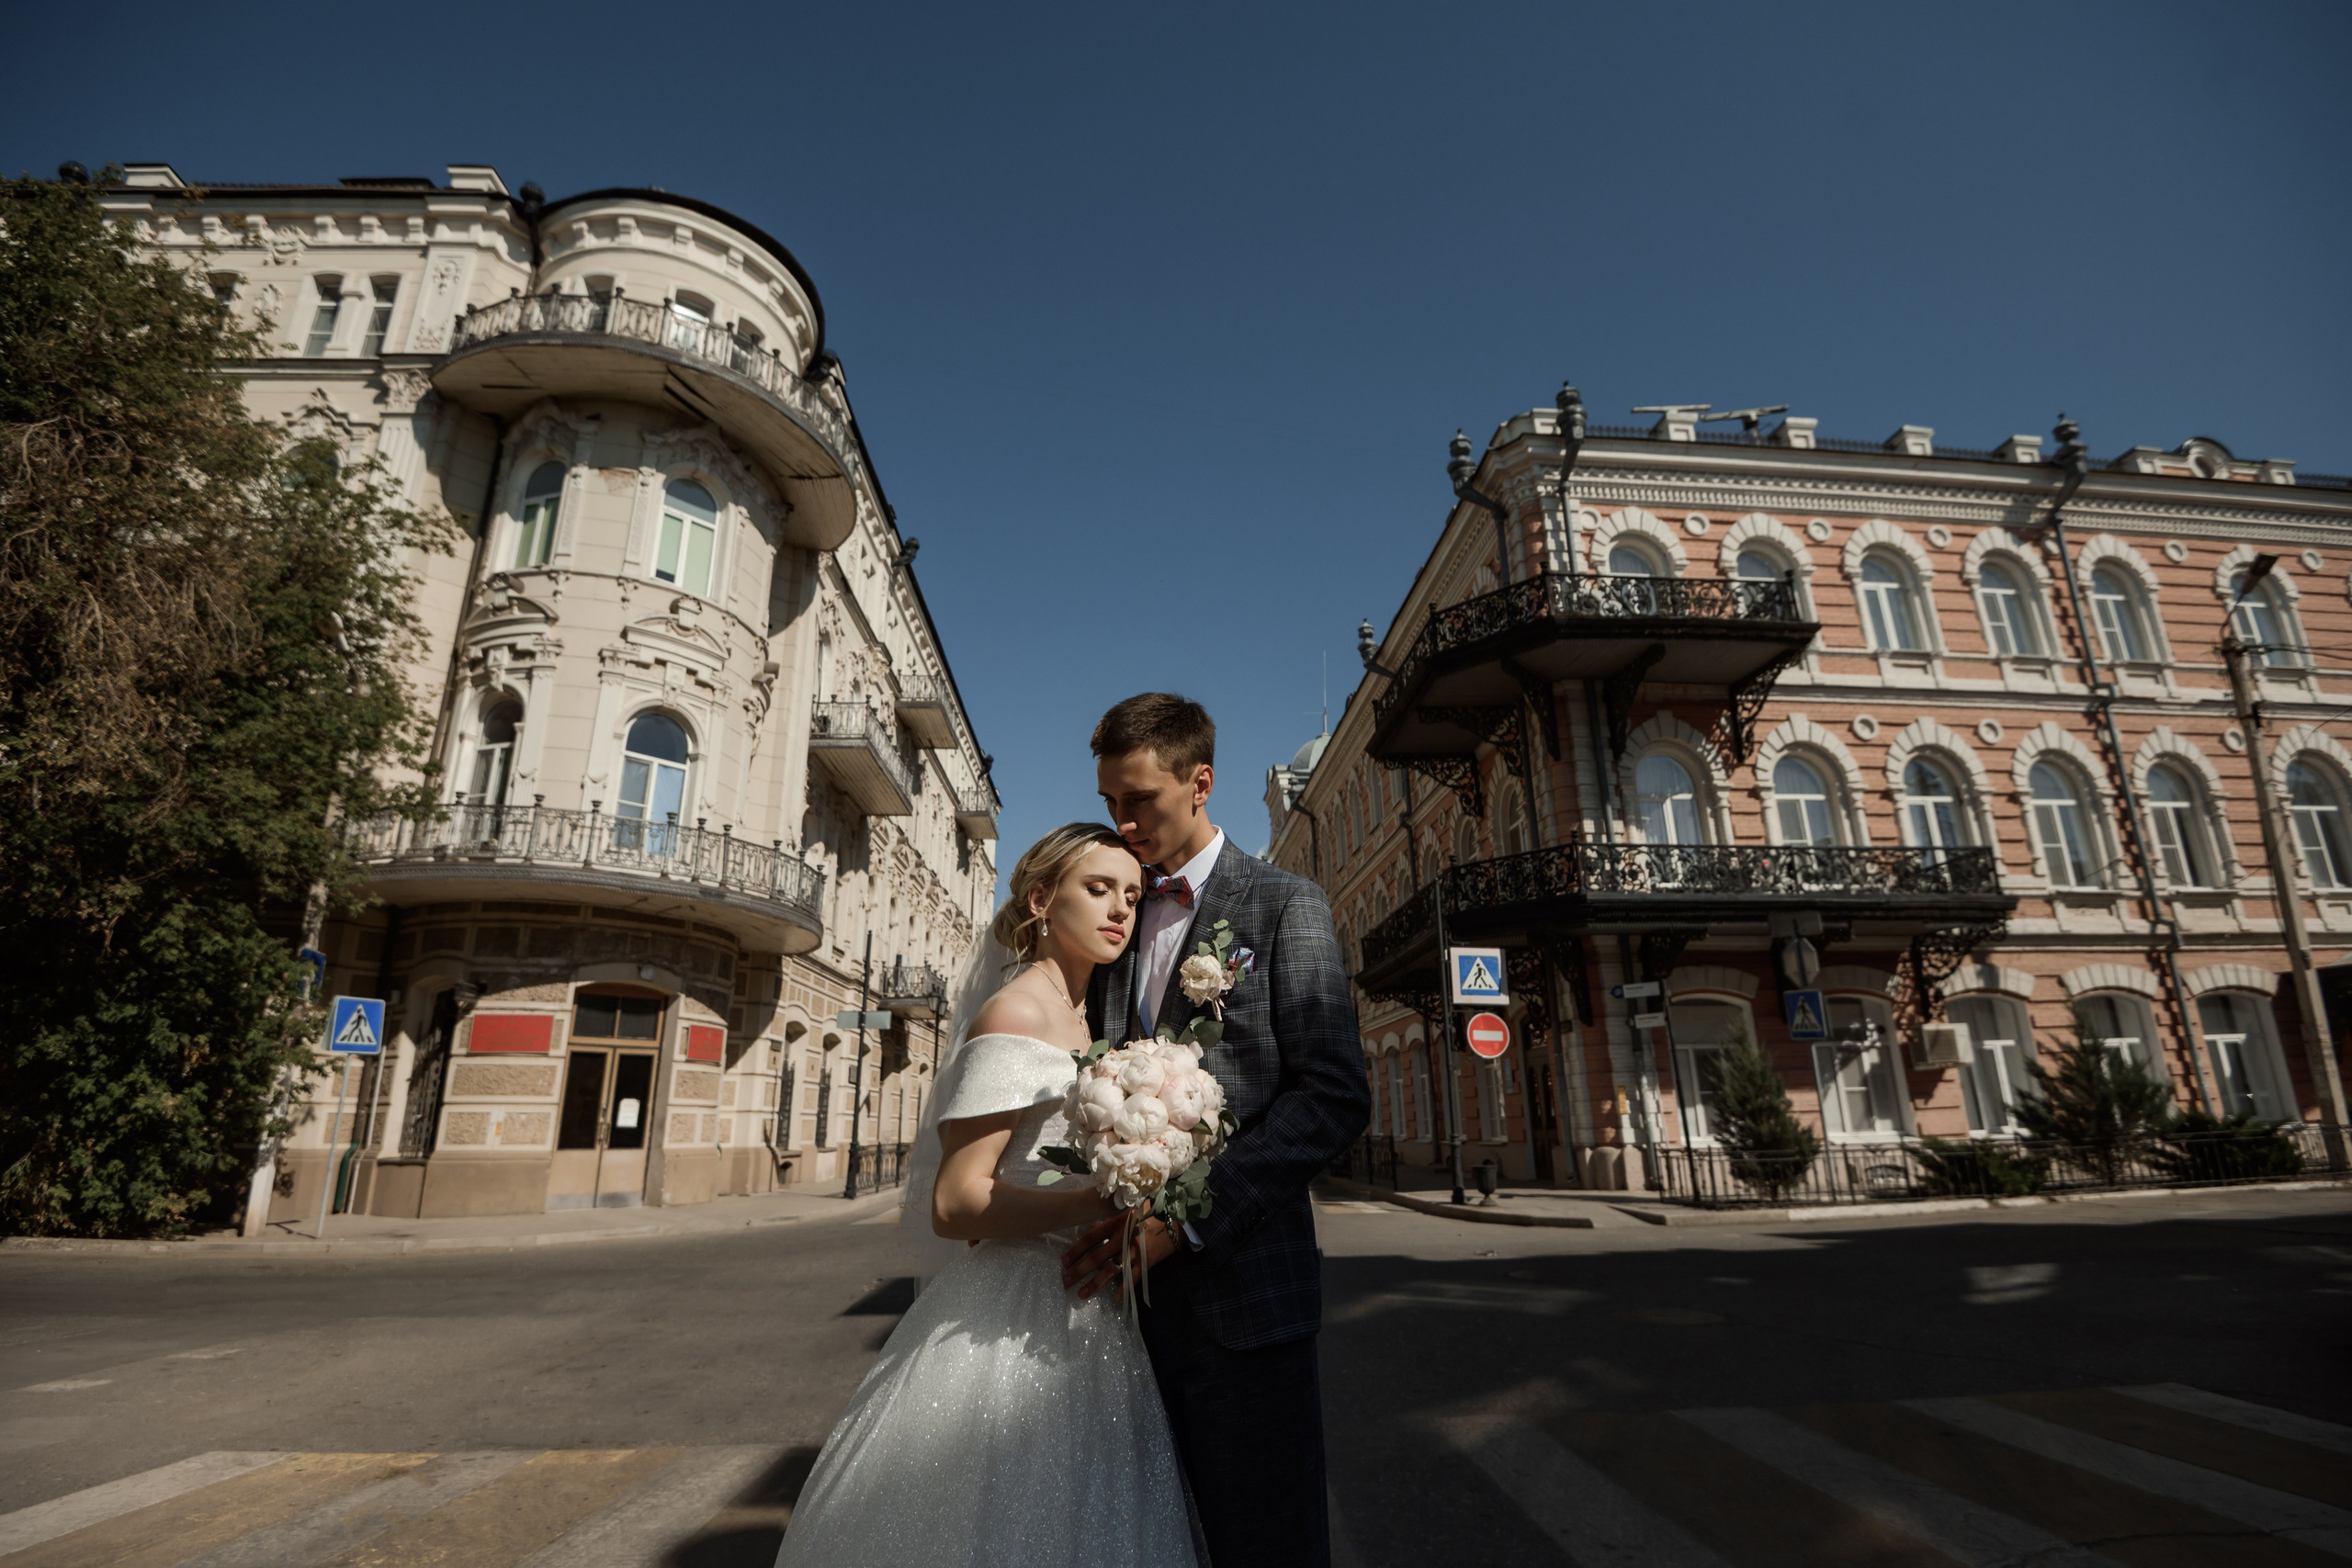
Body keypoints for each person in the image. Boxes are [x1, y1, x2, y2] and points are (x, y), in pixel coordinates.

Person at [774, 824, 1197, 1566]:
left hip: (1087, 1309)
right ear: (1040, 899)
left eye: (1131, 895)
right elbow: (956, 1202)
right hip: (1015, 1306)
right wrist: (1100, 1200)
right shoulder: (1018, 1012)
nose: (1121, 910)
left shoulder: (1083, 1017)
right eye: (1097, 889)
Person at [1067, 693, 1372, 1568]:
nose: (1121, 823)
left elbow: (1332, 1095)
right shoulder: (1116, 920)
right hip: (1121, 1317)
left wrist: (1185, 1220)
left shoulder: (1285, 905)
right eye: (1110, 801)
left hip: (1246, 1307)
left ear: (1199, 783)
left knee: (1266, 1547)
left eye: (1140, 801)